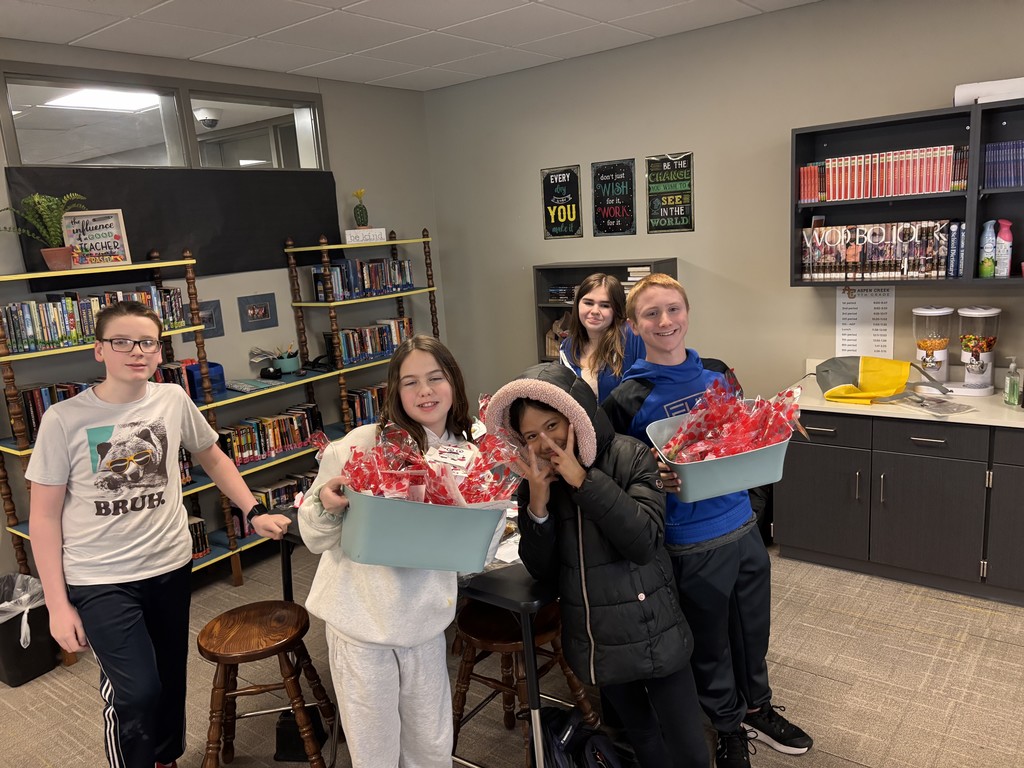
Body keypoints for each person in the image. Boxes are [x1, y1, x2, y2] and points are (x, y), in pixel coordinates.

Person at [26, 300, 292, 768]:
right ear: (99, 350)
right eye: (122, 341)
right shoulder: (64, 419)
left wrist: (253, 510)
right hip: (100, 578)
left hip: (169, 564)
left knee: (169, 678)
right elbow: (43, 517)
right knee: (136, 692)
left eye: (147, 342)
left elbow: (212, 456)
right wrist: (56, 604)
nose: (137, 352)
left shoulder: (171, 399)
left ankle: (165, 759)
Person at [601, 274, 813, 768]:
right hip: (690, 542)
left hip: (742, 528)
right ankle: (726, 726)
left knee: (752, 631)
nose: (665, 322)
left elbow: (741, 441)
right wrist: (652, 475)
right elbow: (618, 474)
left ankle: (758, 706)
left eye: (673, 310)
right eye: (651, 314)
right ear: (634, 324)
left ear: (688, 313)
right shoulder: (626, 396)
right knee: (711, 643)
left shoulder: (717, 376)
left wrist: (773, 425)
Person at [486, 362, 709, 768]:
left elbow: (643, 541)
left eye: (553, 426)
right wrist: (537, 502)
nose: (544, 443)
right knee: (639, 735)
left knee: (686, 740)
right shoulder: (537, 482)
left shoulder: (630, 454)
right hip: (597, 637)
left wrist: (582, 480)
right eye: (531, 435)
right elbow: (543, 570)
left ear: (575, 415)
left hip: (653, 627)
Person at [298, 334, 483, 768]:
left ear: (453, 383)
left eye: (436, 378)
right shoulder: (360, 445)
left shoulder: (469, 453)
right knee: (374, 751)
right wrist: (326, 502)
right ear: (394, 392)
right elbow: (313, 536)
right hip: (361, 626)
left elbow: (472, 544)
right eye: (410, 382)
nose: (425, 391)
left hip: (424, 624)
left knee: (431, 747)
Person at [559, 273, 645, 403]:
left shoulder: (633, 338)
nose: (595, 311)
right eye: (588, 303)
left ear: (617, 309)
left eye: (605, 305)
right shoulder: (567, 347)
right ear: (577, 305)